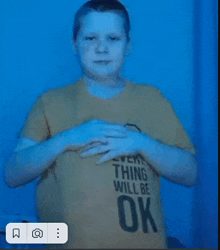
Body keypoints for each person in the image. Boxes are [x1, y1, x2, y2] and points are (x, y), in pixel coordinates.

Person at [4, 0, 197, 248]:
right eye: (90, 38)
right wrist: (67, 139)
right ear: (75, 44)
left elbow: (190, 173)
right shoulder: (50, 103)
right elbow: (13, 174)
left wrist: (141, 143)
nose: (101, 48)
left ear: (128, 45)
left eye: (113, 38)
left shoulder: (152, 100)